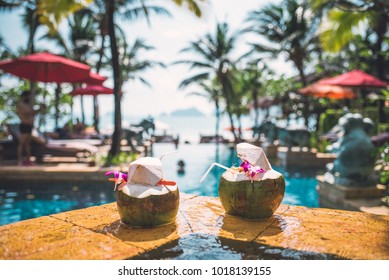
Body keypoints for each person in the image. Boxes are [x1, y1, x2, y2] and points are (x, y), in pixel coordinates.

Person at [16, 91, 44, 165]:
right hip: (24, 126)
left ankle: (28, 160)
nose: (30, 98)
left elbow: (32, 113)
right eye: (28, 96)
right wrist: (38, 109)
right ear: (24, 96)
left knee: (28, 144)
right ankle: (19, 160)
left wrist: (40, 109)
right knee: (22, 143)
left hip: (29, 126)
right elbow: (28, 113)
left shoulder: (28, 105)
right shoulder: (21, 105)